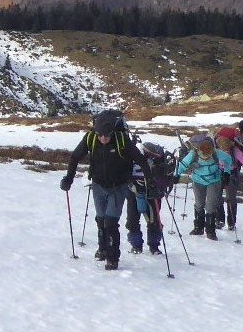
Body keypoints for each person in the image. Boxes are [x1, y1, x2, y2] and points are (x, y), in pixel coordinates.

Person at [61, 109, 150, 270]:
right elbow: (75, 157)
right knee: (101, 220)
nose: (103, 138)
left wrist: (150, 181)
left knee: (110, 222)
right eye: (101, 135)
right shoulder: (90, 138)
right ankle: (102, 249)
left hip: (119, 186)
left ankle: (112, 257)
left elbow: (141, 160)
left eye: (107, 136)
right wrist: (69, 178)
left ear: (112, 132)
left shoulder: (121, 140)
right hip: (98, 185)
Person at [178, 132, 234, 241]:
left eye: (207, 157)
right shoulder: (193, 153)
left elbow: (228, 160)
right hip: (198, 180)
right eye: (203, 157)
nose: (205, 159)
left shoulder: (216, 153)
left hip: (214, 181)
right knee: (199, 204)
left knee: (211, 205)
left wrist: (227, 172)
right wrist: (176, 176)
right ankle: (198, 228)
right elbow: (183, 164)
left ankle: (210, 231)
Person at [127, 141, 176, 254]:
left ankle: (152, 246)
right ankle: (138, 245)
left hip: (152, 191)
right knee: (133, 219)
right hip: (134, 190)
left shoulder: (159, 162)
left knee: (153, 220)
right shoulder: (133, 156)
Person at [214, 130, 243, 228]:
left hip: (232, 175)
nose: (226, 151)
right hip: (220, 174)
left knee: (230, 198)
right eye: (223, 149)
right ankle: (221, 220)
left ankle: (230, 223)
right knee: (217, 197)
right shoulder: (218, 151)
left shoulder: (235, 150)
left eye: (227, 149)